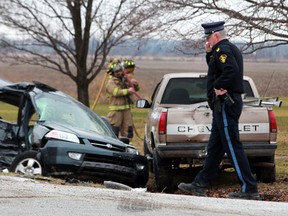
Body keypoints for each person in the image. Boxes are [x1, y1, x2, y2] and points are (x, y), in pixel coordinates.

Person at [178, 21, 260, 200]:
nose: (206, 40)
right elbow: (218, 68)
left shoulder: (223, 50)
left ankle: (249, 189)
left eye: (208, 37)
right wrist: (208, 55)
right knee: (215, 147)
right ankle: (200, 184)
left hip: (225, 104)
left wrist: (219, 86)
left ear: (216, 35)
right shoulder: (222, 50)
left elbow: (230, 71)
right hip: (221, 106)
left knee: (232, 146)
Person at [105, 61, 138, 143]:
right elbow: (116, 92)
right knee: (114, 129)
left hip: (127, 110)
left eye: (120, 71)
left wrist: (135, 84)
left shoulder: (125, 80)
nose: (119, 73)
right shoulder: (111, 82)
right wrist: (128, 91)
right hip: (116, 111)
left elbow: (135, 90)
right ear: (113, 73)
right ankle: (113, 145)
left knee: (128, 129)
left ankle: (127, 146)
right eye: (117, 72)